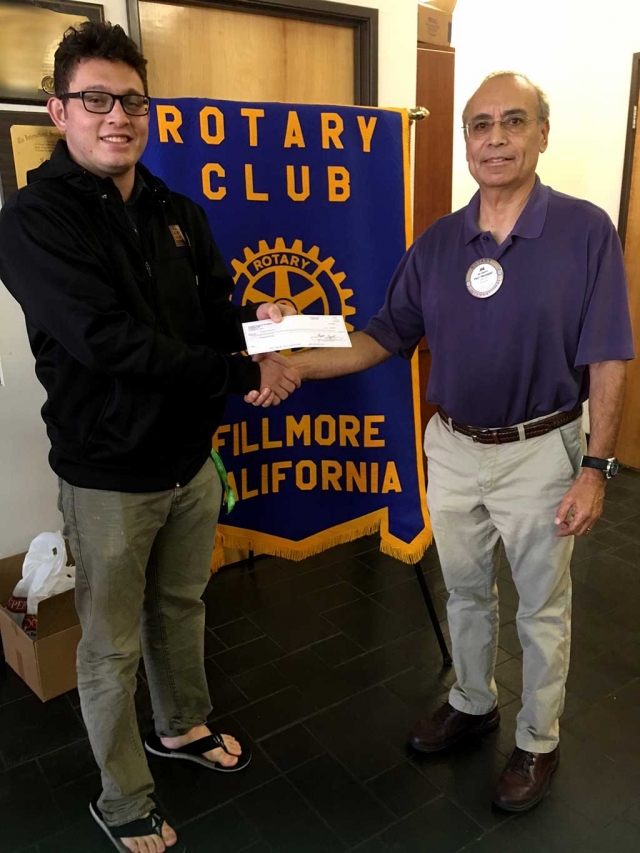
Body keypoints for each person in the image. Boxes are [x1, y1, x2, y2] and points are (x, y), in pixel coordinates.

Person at [250, 71, 634, 812]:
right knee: (463, 590)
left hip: (540, 450)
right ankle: (471, 698)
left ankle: (538, 739)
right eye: (480, 125)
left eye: (513, 122)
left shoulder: (586, 231)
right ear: (465, 141)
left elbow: (609, 356)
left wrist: (596, 468)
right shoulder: (437, 241)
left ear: (541, 134)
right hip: (453, 447)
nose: (495, 138)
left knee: (541, 606)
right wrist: (289, 352)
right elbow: (378, 337)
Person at [0, 22, 301, 853]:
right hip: (107, 476)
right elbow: (106, 342)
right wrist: (243, 375)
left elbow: (211, 313)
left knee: (181, 606)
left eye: (132, 100)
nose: (117, 116)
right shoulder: (32, 219)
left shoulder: (175, 209)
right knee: (111, 643)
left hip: (190, 463)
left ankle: (182, 726)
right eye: (96, 99)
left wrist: (260, 326)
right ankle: (123, 793)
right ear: (60, 111)